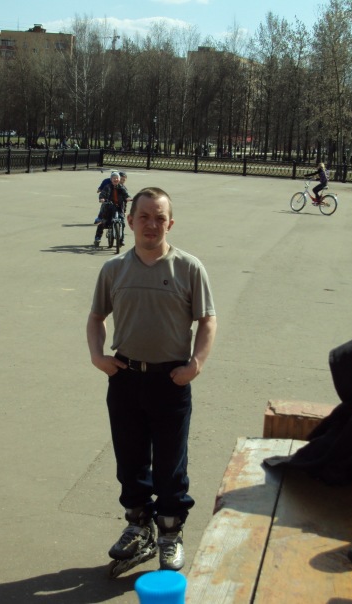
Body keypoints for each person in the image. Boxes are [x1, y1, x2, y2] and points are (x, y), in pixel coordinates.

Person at [86, 186, 217, 572]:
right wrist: (98, 356)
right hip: (125, 378)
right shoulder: (114, 269)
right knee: (129, 461)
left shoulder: (188, 268)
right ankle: (138, 527)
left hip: (170, 381)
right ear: (129, 221)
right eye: (143, 216)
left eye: (160, 218)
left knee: (170, 465)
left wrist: (196, 364)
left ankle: (170, 533)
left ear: (170, 223)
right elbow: (96, 317)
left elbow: (207, 319)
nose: (151, 224)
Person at [94, 171, 131, 246]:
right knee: (103, 222)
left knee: (122, 223)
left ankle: (121, 240)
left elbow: (125, 194)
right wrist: (102, 199)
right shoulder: (107, 187)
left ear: (119, 179)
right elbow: (102, 194)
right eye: (114, 178)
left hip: (119, 207)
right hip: (109, 207)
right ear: (111, 179)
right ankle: (98, 238)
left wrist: (128, 198)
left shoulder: (122, 187)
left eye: (117, 178)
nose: (116, 179)